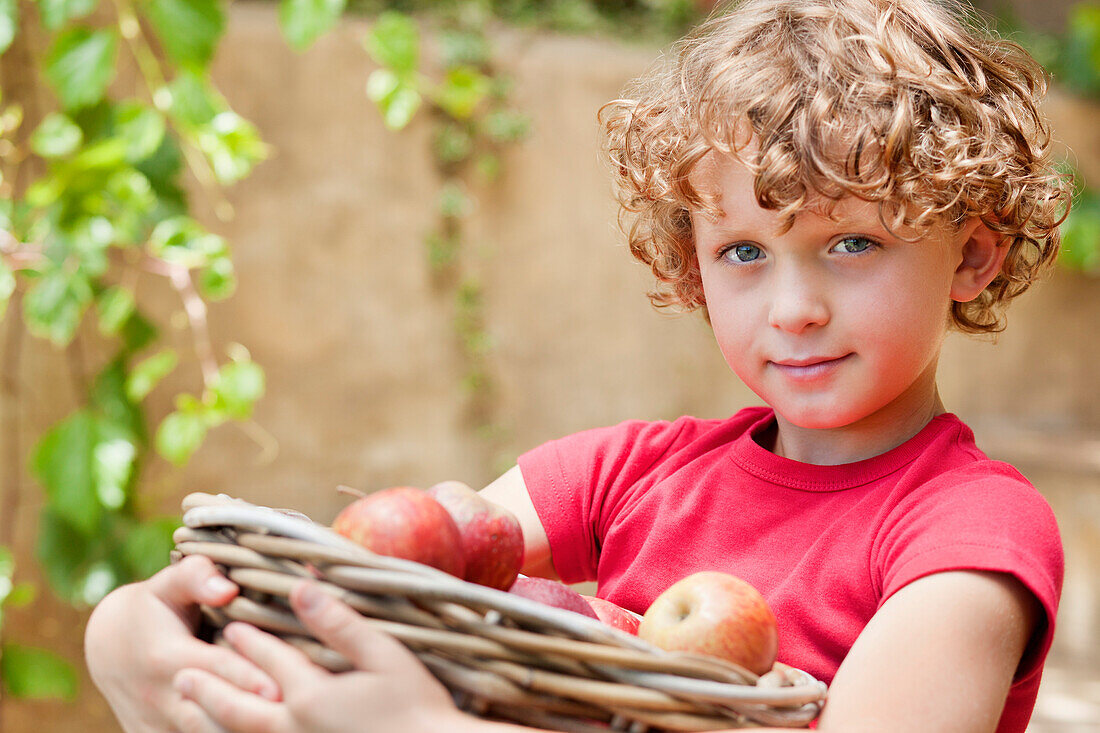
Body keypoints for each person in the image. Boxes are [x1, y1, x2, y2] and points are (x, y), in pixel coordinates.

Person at [84, 0, 1070, 731]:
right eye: (742, 252)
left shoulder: (968, 536)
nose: (793, 306)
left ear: (971, 254)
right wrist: (130, 633)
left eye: (851, 243)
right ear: (693, 263)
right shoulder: (623, 474)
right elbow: (386, 586)